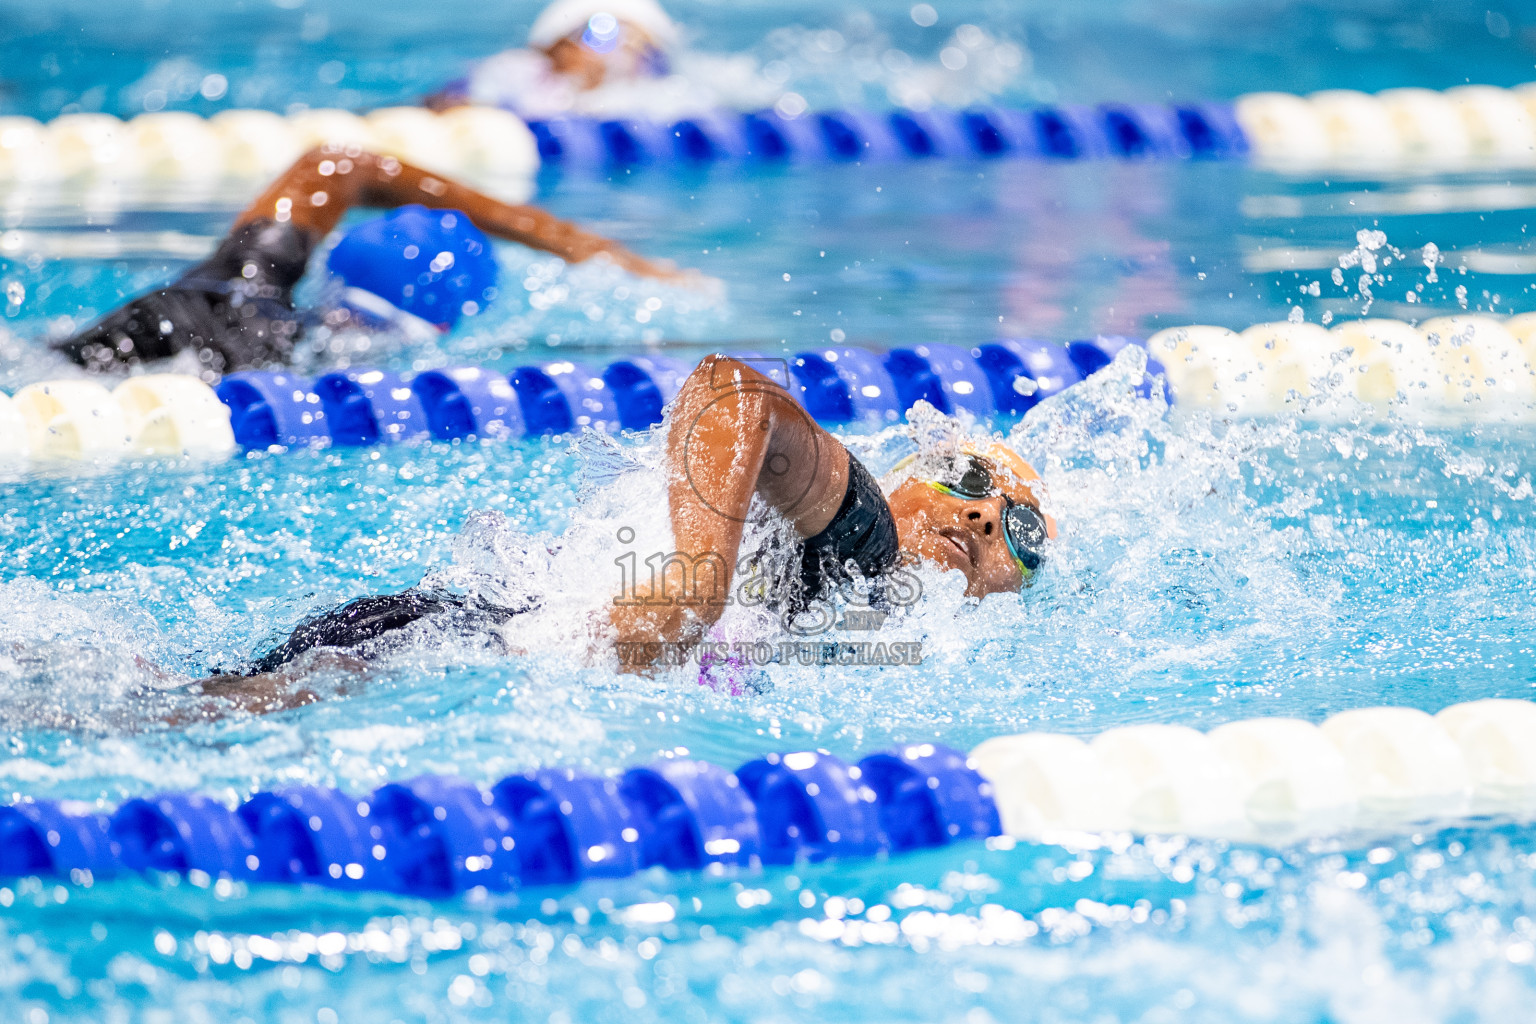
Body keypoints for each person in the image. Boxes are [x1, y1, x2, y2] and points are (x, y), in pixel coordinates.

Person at [185, 354, 1054, 714]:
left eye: (1021, 529)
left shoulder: (882, 624)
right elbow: (728, 392)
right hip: (454, 646)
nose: (982, 514)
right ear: (907, 475)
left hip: (459, 644)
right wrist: (696, 585)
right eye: (971, 480)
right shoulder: (865, 541)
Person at [52, 143, 685, 377]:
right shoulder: (339, 384)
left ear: (334, 267)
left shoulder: (234, 280)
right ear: (442, 326)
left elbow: (340, 164)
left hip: (82, 351)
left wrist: (572, 242)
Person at [427, 0, 777, 121]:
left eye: (643, 47)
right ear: (555, 49)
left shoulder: (675, 97)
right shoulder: (514, 77)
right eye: (601, 32)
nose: (622, 51)